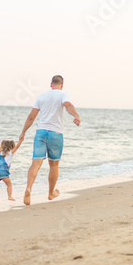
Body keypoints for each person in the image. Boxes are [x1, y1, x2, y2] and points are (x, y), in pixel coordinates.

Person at [19, 75, 81, 205]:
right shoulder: (63, 94)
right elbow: (68, 105)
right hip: (55, 133)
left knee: (35, 163)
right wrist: (76, 115)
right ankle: (51, 192)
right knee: (54, 165)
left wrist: (23, 132)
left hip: (40, 132)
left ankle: (28, 188)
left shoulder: (41, 96)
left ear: (50, 84)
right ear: (62, 85)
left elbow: (31, 117)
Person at [0, 138, 23, 205]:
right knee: (9, 184)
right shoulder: (10, 153)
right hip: (3, 171)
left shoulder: (0, 152)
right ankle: (9, 196)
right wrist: (21, 140)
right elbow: (17, 147)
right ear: (11, 146)